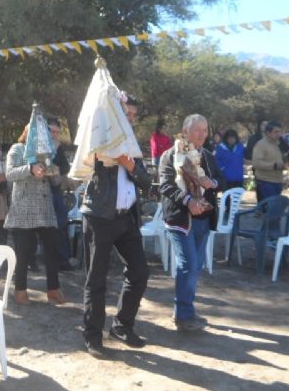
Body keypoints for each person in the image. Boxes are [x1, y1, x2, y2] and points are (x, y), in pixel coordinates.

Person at [81, 94, 151, 357]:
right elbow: (88, 166)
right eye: (126, 114)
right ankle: (92, 336)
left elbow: (145, 181)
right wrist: (113, 154)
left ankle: (122, 326)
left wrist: (129, 163)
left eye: (133, 115)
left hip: (126, 218)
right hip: (99, 218)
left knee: (140, 271)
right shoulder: (100, 139)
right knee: (96, 278)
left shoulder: (132, 145)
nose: (130, 120)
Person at [160, 114, 224, 332]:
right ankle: (184, 316)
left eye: (205, 130)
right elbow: (166, 185)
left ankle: (185, 310)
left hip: (204, 219)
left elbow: (221, 180)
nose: (202, 134)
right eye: (197, 130)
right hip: (181, 219)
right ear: (185, 132)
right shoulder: (170, 156)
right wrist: (188, 201)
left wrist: (211, 182)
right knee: (187, 265)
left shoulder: (206, 156)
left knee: (195, 266)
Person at [4, 125, 65, 306]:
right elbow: (9, 174)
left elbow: (56, 180)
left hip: (45, 209)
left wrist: (52, 167)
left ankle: (53, 289)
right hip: (23, 209)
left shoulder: (47, 152)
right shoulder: (17, 149)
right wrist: (30, 169)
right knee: (23, 252)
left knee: (51, 251)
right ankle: (20, 289)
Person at [48, 117, 75, 270]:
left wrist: (56, 170)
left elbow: (65, 167)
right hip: (44, 192)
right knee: (50, 228)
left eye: (57, 132)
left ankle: (64, 259)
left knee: (62, 224)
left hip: (57, 190)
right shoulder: (43, 147)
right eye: (52, 131)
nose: (55, 135)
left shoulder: (58, 148)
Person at [253, 121, 289, 201]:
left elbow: (282, 158)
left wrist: (288, 158)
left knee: (275, 209)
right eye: (276, 132)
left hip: (278, 181)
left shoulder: (279, 144)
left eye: (280, 132)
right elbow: (256, 163)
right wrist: (274, 166)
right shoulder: (261, 144)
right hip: (266, 182)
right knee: (268, 209)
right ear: (268, 132)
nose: (279, 134)